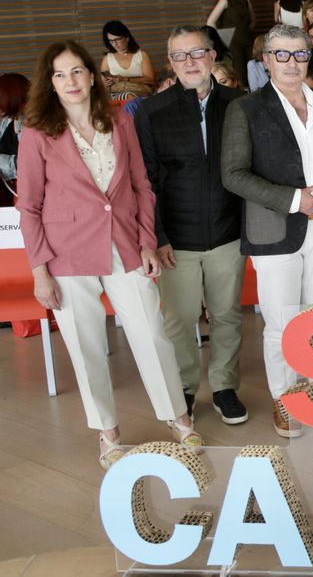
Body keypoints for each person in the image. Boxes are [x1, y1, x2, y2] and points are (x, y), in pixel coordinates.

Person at [17, 40, 202, 470]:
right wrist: (40, 271)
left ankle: (178, 417)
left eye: (78, 71)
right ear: (50, 83)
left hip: (123, 245)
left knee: (152, 333)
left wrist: (145, 242)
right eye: (60, 74)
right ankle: (108, 432)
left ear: (93, 75)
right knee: (86, 346)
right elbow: (28, 207)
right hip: (66, 257)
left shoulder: (119, 122)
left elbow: (141, 185)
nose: (71, 81)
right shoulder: (37, 133)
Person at [221, 23, 313, 438]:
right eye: (283, 55)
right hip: (275, 228)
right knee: (281, 323)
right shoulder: (246, 109)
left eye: (300, 54)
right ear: (267, 60)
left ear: (311, 56)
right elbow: (233, 174)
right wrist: (294, 199)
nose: (292, 63)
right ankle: (284, 399)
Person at [135, 25, 247, 424]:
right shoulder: (151, 111)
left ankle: (223, 385)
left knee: (227, 315)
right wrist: (157, 236)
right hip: (175, 240)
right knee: (179, 319)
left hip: (228, 232)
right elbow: (145, 180)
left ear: (213, 56)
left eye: (197, 53)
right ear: (170, 63)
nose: (190, 62)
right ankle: (184, 386)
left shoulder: (238, 104)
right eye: (180, 56)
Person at [205, 0, 256, 86]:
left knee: (252, 69)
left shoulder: (246, 1)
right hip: (233, 42)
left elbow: (253, 21)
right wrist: (223, 37)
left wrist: (245, 30)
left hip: (247, 40)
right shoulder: (225, 0)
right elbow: (210, 21)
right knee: (239, 70)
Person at [100, 21, 156, 98]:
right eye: (111, 41)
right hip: (116, 93)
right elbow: (103, 85)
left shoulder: (141, 55)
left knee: (130, 96)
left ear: (127, 37)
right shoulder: (107, 58)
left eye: (117, 39)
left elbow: (151, 81)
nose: (115, 44)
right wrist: (107, 83)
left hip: (140, 91)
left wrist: (125, 79)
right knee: (127, 96)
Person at [0, 73, 29, 195]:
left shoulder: (35, 124)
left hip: (30, 194)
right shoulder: (7, 121)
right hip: (11, 192)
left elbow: (30, 165)